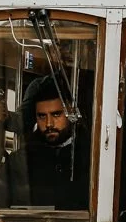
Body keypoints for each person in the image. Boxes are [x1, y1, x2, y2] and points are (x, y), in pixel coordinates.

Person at [7, 74, 90, 210]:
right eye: (42, 116)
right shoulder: (20, 161)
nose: (49, 124)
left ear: (71, 112)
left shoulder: (90, 158)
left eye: (56, 114)